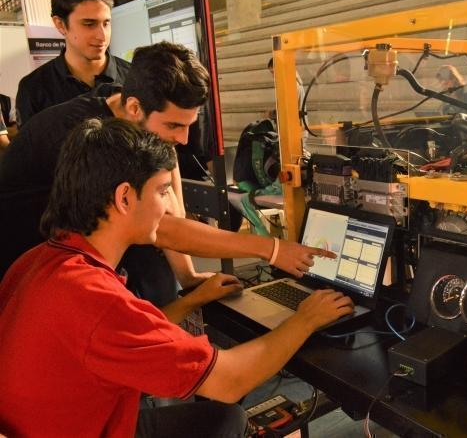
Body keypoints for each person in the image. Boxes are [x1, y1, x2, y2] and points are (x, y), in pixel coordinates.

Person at [0, 117, 353, 437]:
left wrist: (193, 299)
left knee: (223, 420)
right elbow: (230, 381)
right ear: (124, 197)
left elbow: (123, 339)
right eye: (162, 190)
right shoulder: (93, 298)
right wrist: (307, 318)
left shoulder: (40, 261)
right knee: (225, 409)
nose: (169, 207)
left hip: (68, 422)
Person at [0, 42, 331, 302]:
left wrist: (187, 276)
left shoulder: (135, 112)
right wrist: (271, 249)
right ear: (134, 108)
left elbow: (170, 206)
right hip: (25, 271)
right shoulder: (86, 135)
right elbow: (164, 227)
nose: (183, 139)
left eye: (188, 125)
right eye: (174, 125)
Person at [15, 0, 129, 127]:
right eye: (89, 24)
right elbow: (30, 147)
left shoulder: (134, 77)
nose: (102, 36)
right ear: (60, 24)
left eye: (106, 23)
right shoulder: (33, 89)